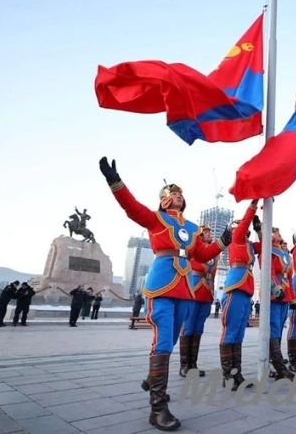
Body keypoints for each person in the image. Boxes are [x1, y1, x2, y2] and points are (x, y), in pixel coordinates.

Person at [99, 156, 231, 431]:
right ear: (164, 200)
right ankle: (157, 407)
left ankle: (153, 378)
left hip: (185, 287)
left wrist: (221, 242)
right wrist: (115, 182)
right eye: (173, 193)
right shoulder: (156, 219)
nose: (179, 196)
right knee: (162, 341)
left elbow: (201, 254)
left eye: (181, 194)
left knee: (170, 340)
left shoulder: (192, 227)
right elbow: (132, 207)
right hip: (162, 282)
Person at [218, 202, 261, 391]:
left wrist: (259, 230)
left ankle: (237, 374)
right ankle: (227, 376)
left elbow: (265, 245)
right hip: (235, 285)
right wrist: (254, 204)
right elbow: (243, 224)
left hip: (246, 288)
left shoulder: (248, 244)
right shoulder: (235, 237)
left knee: (239, 334)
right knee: (230, 332)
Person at [179, 225, 219, 378]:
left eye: (209, 232)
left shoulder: (213, 252)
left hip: (206, 290)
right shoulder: (193, 246)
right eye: (205, 232)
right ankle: (184, 365)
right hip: (194, 287)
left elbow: (213, 272)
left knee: (198, 328)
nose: (209, 234)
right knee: (188, 326)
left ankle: (193, 364)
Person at [257, 226, 296, 381]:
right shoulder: (268, 250)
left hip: (284, 295)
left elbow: (289, 277)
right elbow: (269, 271)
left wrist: (292, 298)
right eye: (274, 232)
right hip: (274, 295)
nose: (278, 234)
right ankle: (279, 367)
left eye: (279, 232)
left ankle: (275, 366)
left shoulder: (284, 254)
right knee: (273, 330)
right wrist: (275, 288)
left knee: (278, 330)